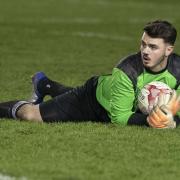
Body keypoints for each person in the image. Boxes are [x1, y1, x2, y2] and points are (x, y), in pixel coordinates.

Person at [0, 20, 180, 129]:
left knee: (71, 95)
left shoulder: (178, 71)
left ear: (168, 50)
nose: (145, 51)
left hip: (117, 99)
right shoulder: (127, 70)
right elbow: (119, 118)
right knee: (31, 116)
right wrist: (152, 121)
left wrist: (172, 120)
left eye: (153, 47)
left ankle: (45, 85)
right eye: (143, 44)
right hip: (93, 101)